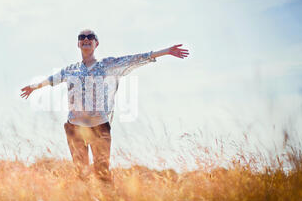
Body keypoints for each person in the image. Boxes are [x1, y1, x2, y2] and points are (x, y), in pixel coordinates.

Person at [20, 29, 189, 183]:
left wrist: (166, 52)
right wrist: (34, 87)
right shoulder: (70, 70)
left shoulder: (108, 65)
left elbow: (135, 59)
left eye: (90, 37)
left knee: (102, 173)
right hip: (74, 127)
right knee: (81, 173)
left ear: (96, 43)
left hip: (99, 126)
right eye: (82, 37)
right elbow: (52, 79)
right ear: (78, 44)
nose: (86, 39)